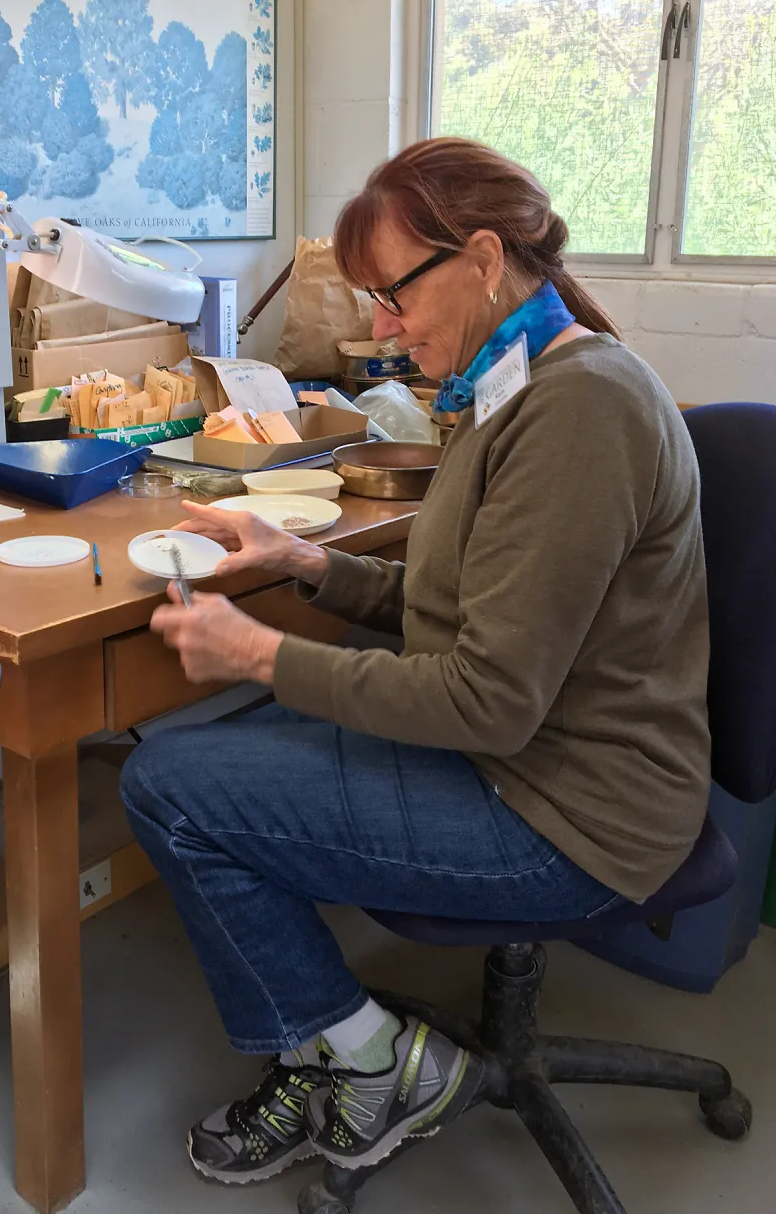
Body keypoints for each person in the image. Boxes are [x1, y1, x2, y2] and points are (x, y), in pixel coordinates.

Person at [120, 137, 711, 1186]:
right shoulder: (512, 386)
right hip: (526, 762)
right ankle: (338, 1044)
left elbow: (485, 697)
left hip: (568, 811)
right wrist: (306, 562)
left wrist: (258, 652)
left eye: (392, 297)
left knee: (167, 783)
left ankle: (370, 1053)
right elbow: (462, 612)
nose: (382, 330)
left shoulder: (581, 408)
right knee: (232, 755)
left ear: (484, 258)